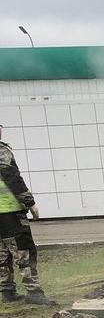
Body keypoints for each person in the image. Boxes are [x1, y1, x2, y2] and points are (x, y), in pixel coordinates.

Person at [0, 125, 56, 305]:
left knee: (2, 253)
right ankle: (34, 292)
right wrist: (30, 202)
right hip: (9, 210)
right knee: (24, 250)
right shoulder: (2, 151)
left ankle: (7, 291)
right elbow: (11, 177)